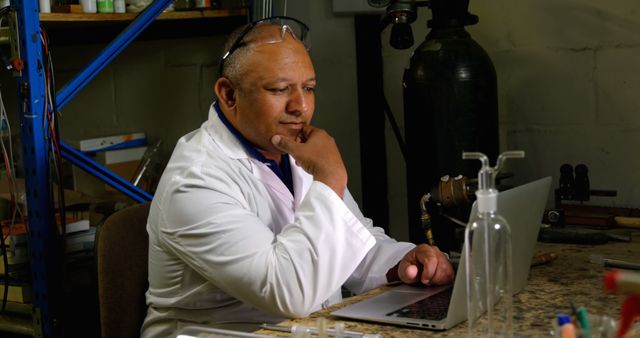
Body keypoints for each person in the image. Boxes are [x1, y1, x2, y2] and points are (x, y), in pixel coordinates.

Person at [141, 16, 454, 337]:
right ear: (228, 94)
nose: (301, 106)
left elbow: (352, 242)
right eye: (279, 89)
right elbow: (289, 293)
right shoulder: (195, 180)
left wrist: (401, 261)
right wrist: (329, 177)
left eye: (308, 88)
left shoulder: (289, 148)